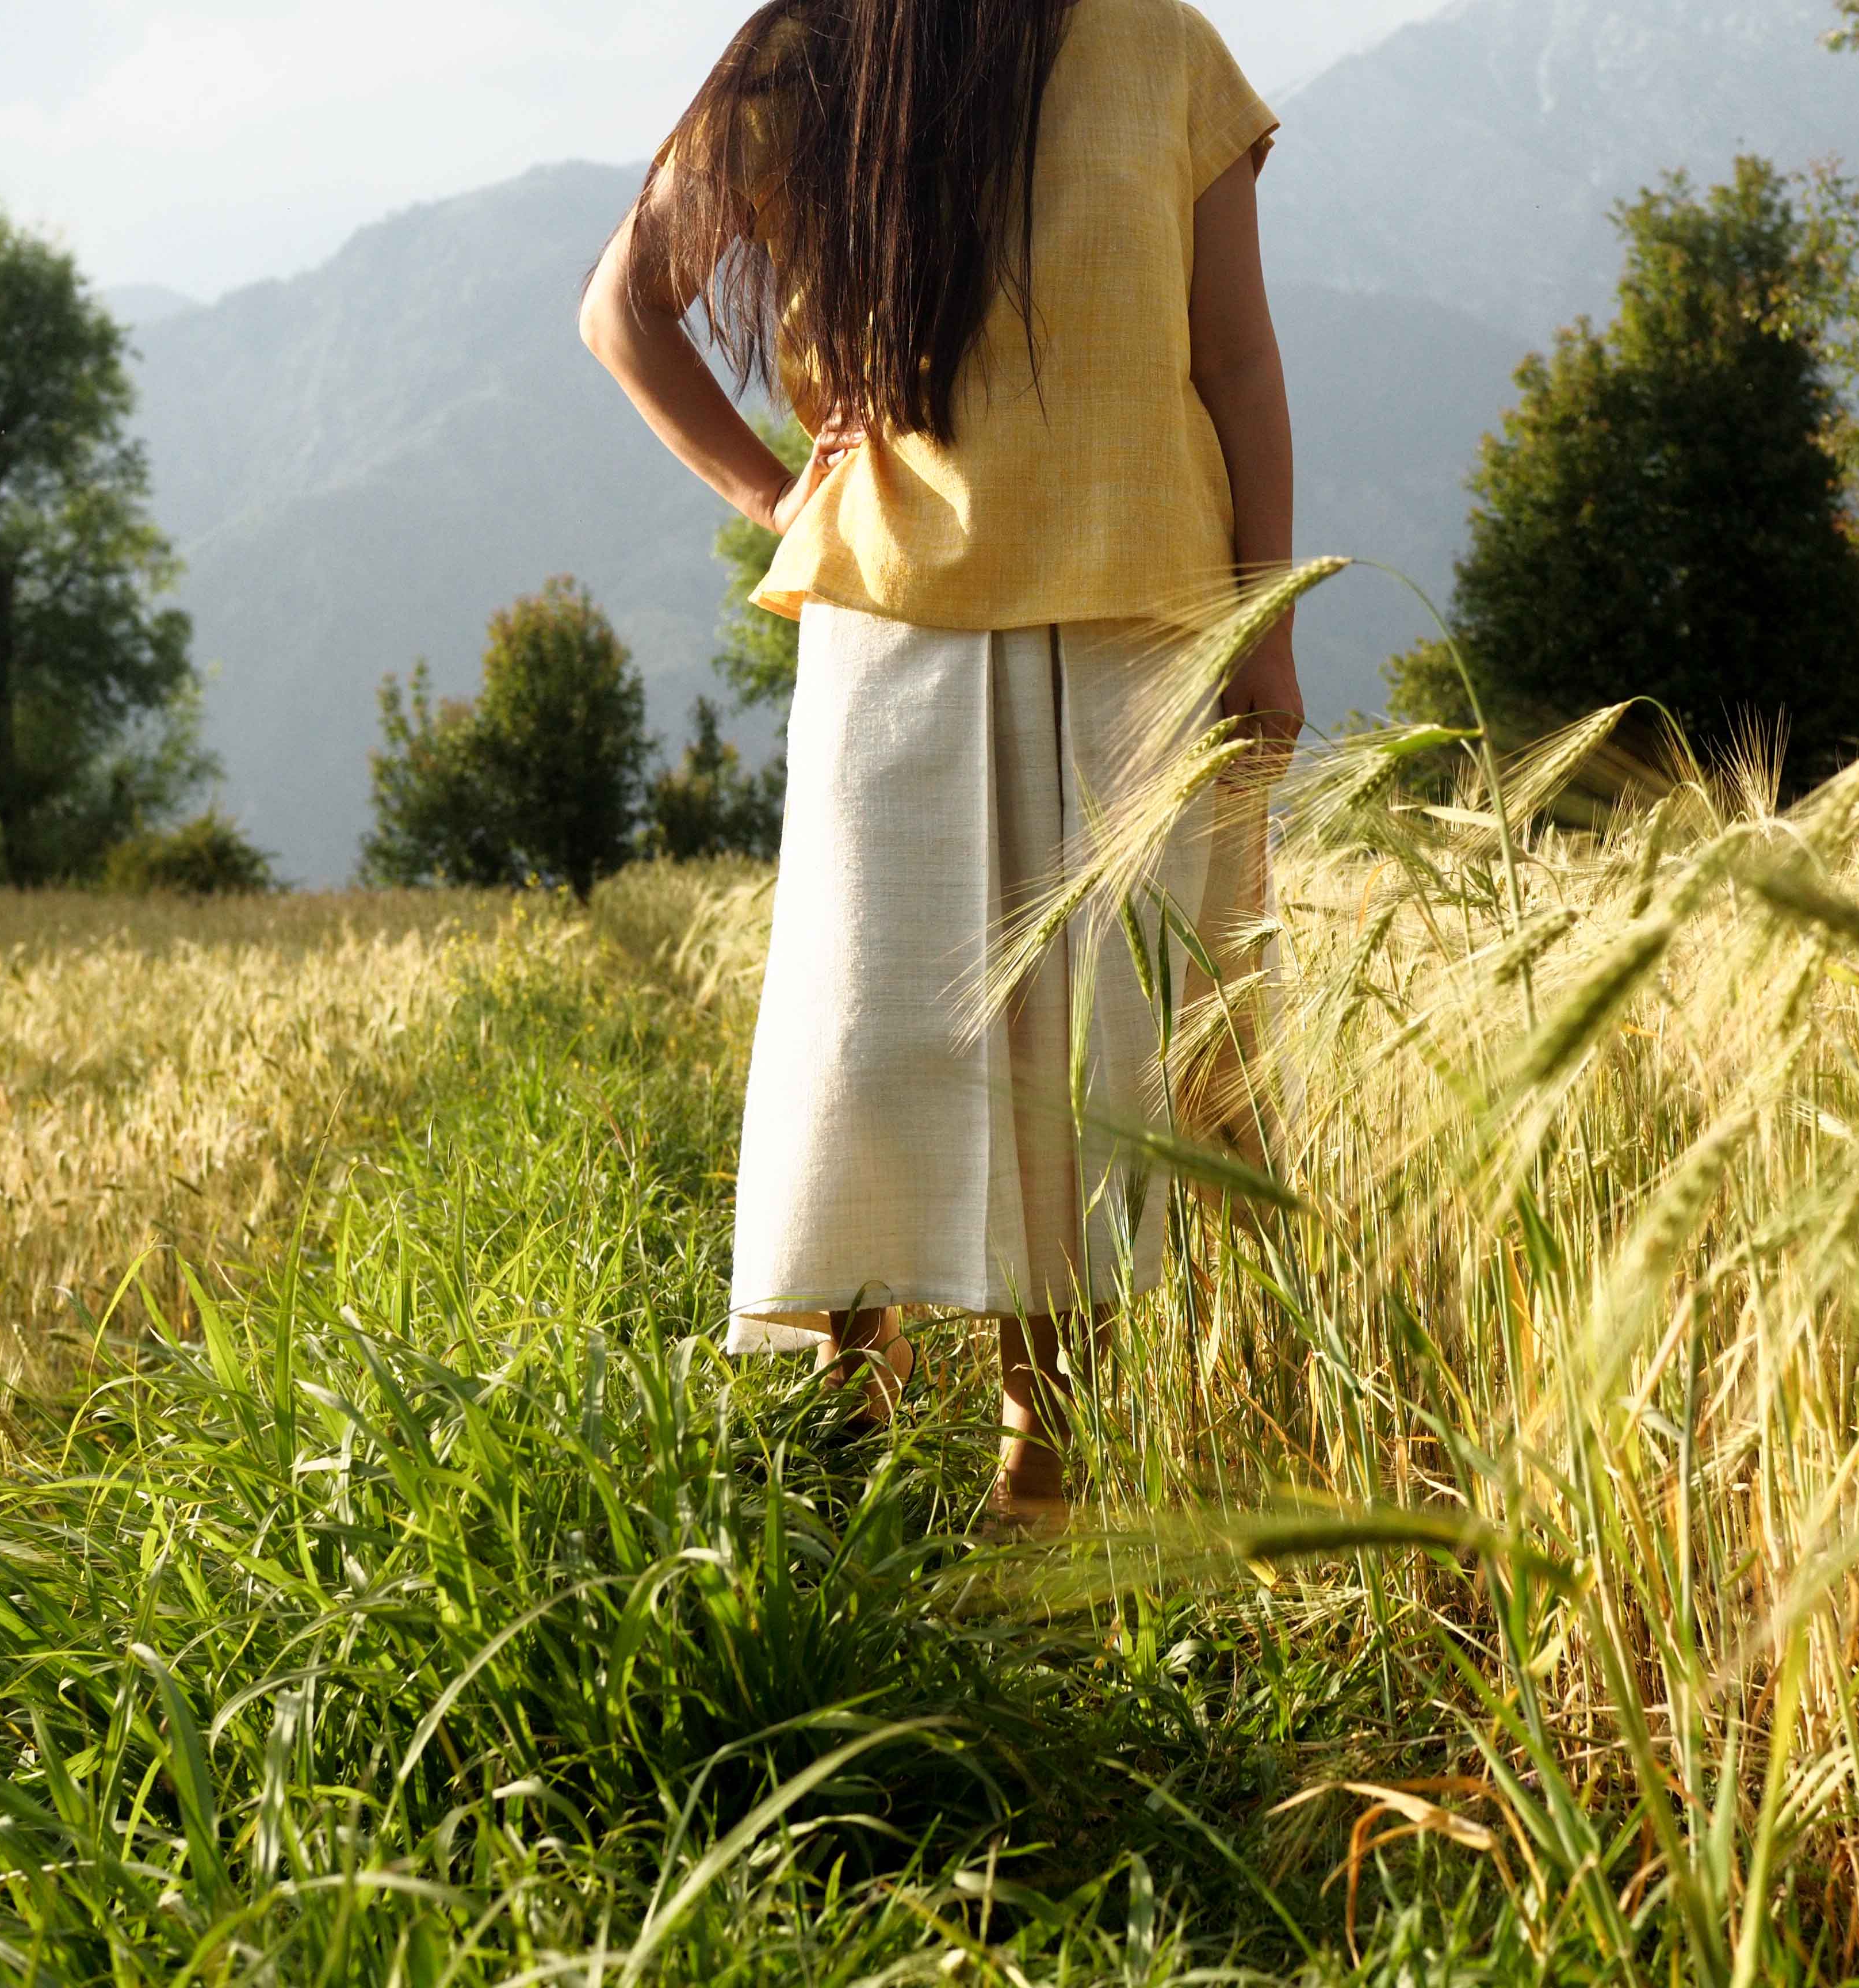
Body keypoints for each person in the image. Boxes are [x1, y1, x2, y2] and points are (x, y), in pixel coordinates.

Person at [580, 0, 1299, 1526]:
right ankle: (851, 1394)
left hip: (1143, 619)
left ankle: (1048, 1444)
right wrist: (773, 496)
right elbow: (623, 309)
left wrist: (1268, 625)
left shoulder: (1164, 45)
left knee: (1098, 1055)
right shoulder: (812, 52)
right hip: (895, 628)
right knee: (873, 1033)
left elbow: (1236, 361)